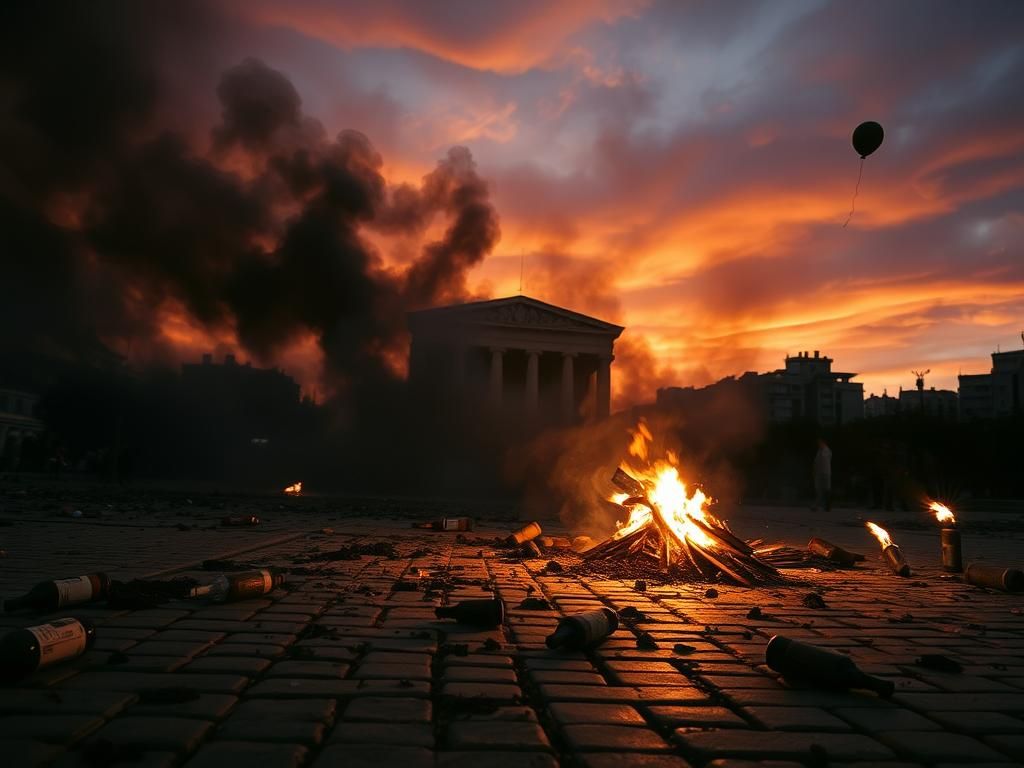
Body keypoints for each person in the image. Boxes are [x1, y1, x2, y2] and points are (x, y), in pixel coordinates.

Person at [812, 438, 832, 512]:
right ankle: (817, 505)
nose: (819, 444)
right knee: (819, 489)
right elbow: (816, 462)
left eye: (820, 442)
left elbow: (823, 461)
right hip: (820, 473)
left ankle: (827, 506)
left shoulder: (827, 451)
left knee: (826, 489)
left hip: (825, 473)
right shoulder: (820, 451)